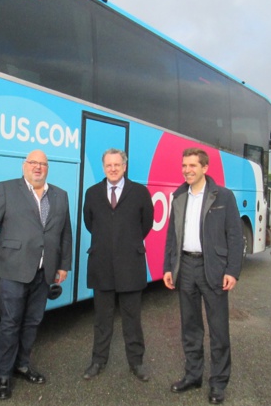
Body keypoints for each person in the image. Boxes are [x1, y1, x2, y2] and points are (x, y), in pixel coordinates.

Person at [0, 149, 72, 400]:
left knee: (32, 322)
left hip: (44, 272)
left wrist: (63, 265)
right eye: (33, 163)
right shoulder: (6, 189)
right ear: (24, 166)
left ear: (47, 168)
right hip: (13, 269)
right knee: (10, 323)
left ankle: (22, 364)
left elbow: (65, 234)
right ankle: (3, 375)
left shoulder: (60, 196)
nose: (38, 167)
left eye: (43, 164)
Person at [163, 148, 243, 404]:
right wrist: (168, 266)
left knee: (218, 330)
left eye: (193, 165)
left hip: (214, 269)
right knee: (190, 327)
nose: (187, 170)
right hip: (185, 266)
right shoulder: (178, 195)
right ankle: (193, 376)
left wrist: (232, 270)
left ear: (205, 168)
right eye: (184, 165)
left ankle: (218, 384)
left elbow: (234, 235)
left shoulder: (223, 196)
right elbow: (171, 236)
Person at [82, 148, 154, 382]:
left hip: (130, 264)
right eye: (108, 165)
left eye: (117, 165)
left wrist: (124, 244)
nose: (112, 169)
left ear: (125, 167)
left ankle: (136, 362)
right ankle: (98, 361)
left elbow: (146, 224)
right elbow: (90, 222)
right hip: (101, 263)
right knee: (102, 319)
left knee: (132, 319)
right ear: (104, 168)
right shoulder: (92, 193)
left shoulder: (140, 192)